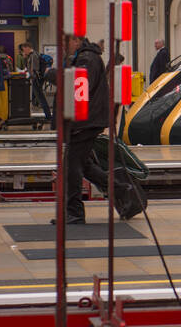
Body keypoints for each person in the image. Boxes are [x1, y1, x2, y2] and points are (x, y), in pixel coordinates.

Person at [56, 35, 136, 224]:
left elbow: (81, 88)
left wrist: (56, 76)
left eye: (65, 43)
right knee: (84, 166)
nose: (63, 47)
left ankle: (74, 213)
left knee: (71, 167)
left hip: (85, 121)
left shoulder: (87, 59)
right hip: (85, 120)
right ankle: (123, 190)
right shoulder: (84, 57)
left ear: (75, 41)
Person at [19, 42, 52, 124]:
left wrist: (29, 76)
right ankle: (47, 115)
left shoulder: (33, 55)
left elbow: (34, 70)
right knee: (39, 98)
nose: (23, 52)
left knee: (41, 98)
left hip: (37, 80)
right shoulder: (33, 55)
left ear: (27, 47)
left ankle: (48, 116)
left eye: (23, 50)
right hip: (37, 79)